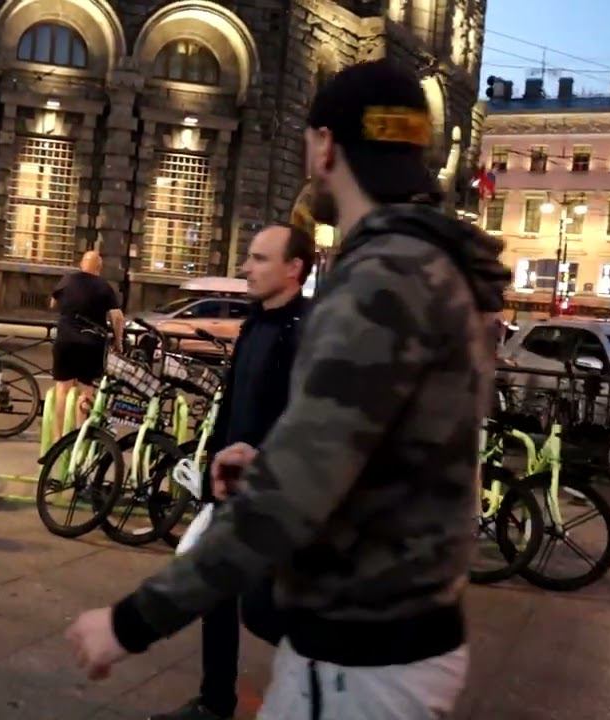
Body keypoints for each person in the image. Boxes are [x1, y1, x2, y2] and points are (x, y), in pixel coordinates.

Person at [66, 60, 511, 719]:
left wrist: (131, 622)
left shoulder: (380, 279)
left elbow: (287, 503)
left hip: (358, 654)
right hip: (394, 633)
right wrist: (272, 459)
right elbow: (389, 446)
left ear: (326, 146)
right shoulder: (430, 264)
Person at [151, 223, 313, 720]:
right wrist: (211, 471)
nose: (246, 268)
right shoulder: (255, 324)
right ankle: (215, 701)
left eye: (260, 259)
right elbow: (233, 404)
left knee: (262, 610)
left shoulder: (306, 331)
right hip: (231, 491)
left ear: (294, 268)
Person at [50, 250, 124, 440]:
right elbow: (117, 317)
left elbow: (52, 303)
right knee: (86, 390)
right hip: (92, 343)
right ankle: (80, 436)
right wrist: (118, 342)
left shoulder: (67, 280)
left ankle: (58, 439)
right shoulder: (104, 286)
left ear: (82, 264)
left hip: (66, 340)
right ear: (99, 268)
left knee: (62, 389)